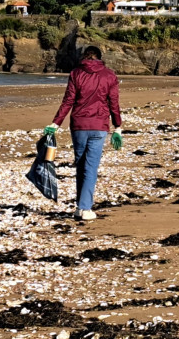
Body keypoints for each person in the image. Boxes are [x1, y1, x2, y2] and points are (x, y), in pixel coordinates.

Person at [44, 46, 123, 221]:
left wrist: (56, 123)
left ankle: (81, 206)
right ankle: (85, 207)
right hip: (99, 126)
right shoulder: (109, 75)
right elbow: (114, 103)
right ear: (100, 58)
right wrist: (118, 126)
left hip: (79, 125)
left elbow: (68, 101)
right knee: (90, 166)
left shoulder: (76, 73)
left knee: (81, 165)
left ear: (85, 57)